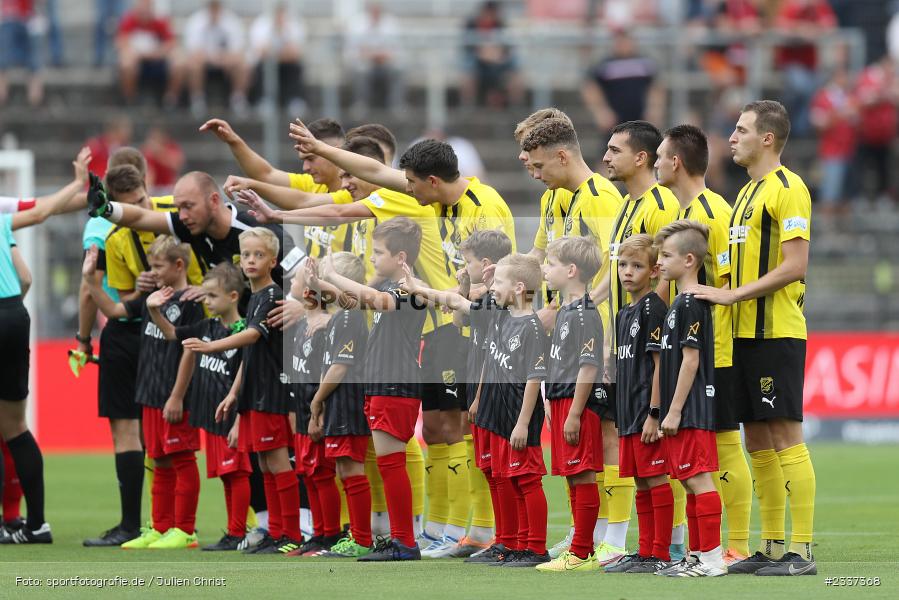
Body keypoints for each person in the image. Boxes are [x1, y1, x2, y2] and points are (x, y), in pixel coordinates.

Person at [287, 122, 516, 554]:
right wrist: (320, 147)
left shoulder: (484, 206)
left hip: (471, 328)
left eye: (411, 183)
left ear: (431, 181)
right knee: (436, 428)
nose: (405, 189)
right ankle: (443, 529)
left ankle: (482, 531)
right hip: (444, 324)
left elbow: (498, 275)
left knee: (470, 428)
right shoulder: (432, 200)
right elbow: (376, 173)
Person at [690, 100, 817, 577]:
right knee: (757, 440)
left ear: (767, 138)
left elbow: (796, 264)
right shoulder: (744, 193)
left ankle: (802, 552)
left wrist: (733, 294)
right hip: (741, 332)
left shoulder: (789, 189)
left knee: (785, 435)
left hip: (775, 332)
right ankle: (771, 545)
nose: (732, 138)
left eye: (741, 131)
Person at [655, 124, 752, 566]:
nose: (655, 163)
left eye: (659, 156)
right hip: (692, 348)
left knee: (724, 446)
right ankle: (706, 547)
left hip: (715, 350)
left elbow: (728, 282)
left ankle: (737, 545)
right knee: (703, 456)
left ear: (676, 162)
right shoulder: (686, 211)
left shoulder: (713, 211)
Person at [592, 120, 680, 567]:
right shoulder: (628, 206)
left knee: (657, 465)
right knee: (636, 464)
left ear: (640, 157)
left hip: (648, 355)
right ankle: (646, 548)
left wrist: (649, 322)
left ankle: (671, 545)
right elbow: (619, 277)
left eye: (613, 150)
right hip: (623, 345)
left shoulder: (661, 202)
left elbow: (663, 270)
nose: (605, 157)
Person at [83, 236, 206, 550]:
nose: (152, 272)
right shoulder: (151, 295)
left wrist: (178, 395)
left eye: (157, 266)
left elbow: (189, 351)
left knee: (182, 459)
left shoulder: (192, 304)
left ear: (179, 266)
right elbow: (111, 308)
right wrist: (90, 281)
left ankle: (186, 530)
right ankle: (161, 527)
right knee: (159, 460)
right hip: (149, 394)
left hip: (174, 396)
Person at [399, 229, 513, 560]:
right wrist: (463, 287)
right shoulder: (484, 294)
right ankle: (471, 533)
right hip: (474, 370)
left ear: (487, 264)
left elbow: (458, 305)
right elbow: (461, 314)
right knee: (479, 452)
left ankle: (482, 533)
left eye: (468, 261)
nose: (464, 266)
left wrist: (419, 288)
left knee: (489, 455)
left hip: (493, 384)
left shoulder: (500, 298)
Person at [317, 217, 427, 562]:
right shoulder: (393, 287)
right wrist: (326, 282)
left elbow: (378, 302)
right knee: (388, 464)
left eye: (378, 252)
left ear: (401, 257)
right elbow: (360, 301)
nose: (373, 259)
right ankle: (400, 540)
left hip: (396, 383)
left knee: (392, 465)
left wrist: (334, 275)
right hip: (384, 382)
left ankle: (405, 542)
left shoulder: (410, 289)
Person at [0, 148, 91, 545]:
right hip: (12, 316)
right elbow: (25, 276)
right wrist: (77, 183)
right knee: (16, 427)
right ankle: (35, 524)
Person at [145, 263, 253, 552]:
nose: (206, 301)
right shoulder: (206, 328)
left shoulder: (245, 332)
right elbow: (171, 334)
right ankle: (234, 532)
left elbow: (248, 377)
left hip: (232, 416)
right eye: (205, 296)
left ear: (232, 296)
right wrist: (154, 309)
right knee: (227, 476)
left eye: (212, 296)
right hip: (212, 414)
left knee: (237, 473)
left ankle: (238, 532)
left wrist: (241, 419)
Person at [209, 228, 302, 555]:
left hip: (272, 392)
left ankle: (290, 534)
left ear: (272, 261)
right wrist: (234, 393)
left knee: (278, 463)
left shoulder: (273, 295)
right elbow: (251, 355)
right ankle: (277, 532)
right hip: (254, 393)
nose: (250, 260)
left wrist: (212, 346)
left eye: (258, 255)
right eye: (246, 255)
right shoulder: (256, 297)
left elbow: (251, 338)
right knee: (265, 465)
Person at [653, 220, 725, 578]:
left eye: (666, 255)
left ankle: (712, 559)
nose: (660, 262)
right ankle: (697, 556)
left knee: (698, 479)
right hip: (679, 410)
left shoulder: (693, 302)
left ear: (689, 260)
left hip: (691, 408)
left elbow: (691, 360)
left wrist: (675, 410)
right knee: (687, 481)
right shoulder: (678, 303)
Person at [472, 253, 548, 567]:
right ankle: (516, 544)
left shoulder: (531, 327)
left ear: (518, 287)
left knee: (528, 480)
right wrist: (478, 398)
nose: (494, 288)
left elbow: (534, 378)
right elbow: (490, 360)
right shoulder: (503, 317)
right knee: (512, 480)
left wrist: (522, 423)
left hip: (520, 417)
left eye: (500, 282)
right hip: (501, 414)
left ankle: (536, 547)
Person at [535, 237, 604, 573]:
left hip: (578, 405)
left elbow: (589, 366)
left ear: (571, 270)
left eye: (550, 264)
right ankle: (579, 549)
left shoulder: (586, 314)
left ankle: (580, 553)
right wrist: (552, 402)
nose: (545, 270)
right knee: (573, 477)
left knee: (583, 475)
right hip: (561, 401)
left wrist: (575, 412)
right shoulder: (564, 310)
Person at [607, 234, 673, 574]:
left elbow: (660, 363)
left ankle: (659, 553)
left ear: (654, 271)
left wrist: (654, 413)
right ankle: (645, 551)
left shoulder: (652, 309)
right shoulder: (624, 313)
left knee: (656, 479)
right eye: (622, 265)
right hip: (628, 413)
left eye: (636, 266)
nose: (627, 272)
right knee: (640, 482)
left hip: (646, 412)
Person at [201, 117, 353, 260]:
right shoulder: (314, 184)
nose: (305, 167)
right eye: (303, 160)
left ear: (335, 153)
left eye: (311, 159)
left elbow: (302, 201)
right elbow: (266, 174)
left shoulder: (355, 193)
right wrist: (233, 140)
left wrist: (252, 185)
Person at [307, 253, 374, 559]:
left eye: (322, 277)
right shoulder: (337, 317)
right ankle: (357, 536)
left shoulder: (349, 316)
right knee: (346, 471)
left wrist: (317, 399)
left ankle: (361, 538)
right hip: (337, 403)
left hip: (347, 401)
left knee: (351, 469)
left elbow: (339, 367)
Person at [285, 265, 343, 557]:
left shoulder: (325, 328)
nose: (291, 283)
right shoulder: (300, 326)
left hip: (316, 413)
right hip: (301, 411)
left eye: (294, 280)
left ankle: (330, 535)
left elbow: (325, 375)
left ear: (308, 291)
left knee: (321, 474)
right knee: (307, 474)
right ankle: (317, 534)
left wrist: (317, 414)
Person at [582, 30, 664, 140]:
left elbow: (656, 87)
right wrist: (600, 111)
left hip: (641, 120)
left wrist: (654, 110)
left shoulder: (645, 63)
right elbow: (590, 87)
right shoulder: (605, 64)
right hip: (614, 122)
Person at [183, 0, 250, 117]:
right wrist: (213, 58)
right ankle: (197, 100)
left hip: (226, 62)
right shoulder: (196, 21)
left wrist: (223, 59)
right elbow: (194, 51)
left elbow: (238, 50)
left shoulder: (231, 21)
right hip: (204, 62)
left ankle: (238, 100)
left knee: (243, 65)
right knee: (193, 65)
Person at [116, 0, 182, 106]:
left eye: (147, 9)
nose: (144, 13)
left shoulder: (159, 21)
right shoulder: (129, 20)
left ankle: (171, 98)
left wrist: (158, 52)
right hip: (137, 60)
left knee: (179, 62)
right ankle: (129, 98)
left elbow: (172, 42)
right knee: (126, 62)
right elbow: (120, 42)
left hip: (158, 60)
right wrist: (136, 52)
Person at [810, 69, 857, 214]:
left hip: (849, 151)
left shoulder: (849, 97)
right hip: (832, 152)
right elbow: (818, 122)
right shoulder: (823, 97)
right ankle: (827, 228)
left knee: (846, 197)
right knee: (830, 194)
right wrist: (839, 114)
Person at [346, 2, 405, 115]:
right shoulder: (356, 23)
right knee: (361, 70)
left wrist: (382, 56)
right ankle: (361, 104)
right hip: (363, 63)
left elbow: (397, 51)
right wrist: (373, 55)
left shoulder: (391, 23)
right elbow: (351, 52)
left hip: (386, 63)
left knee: (399, 69)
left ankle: (396, 105)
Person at [248, 2, 307, 116]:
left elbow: (295, 53)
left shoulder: (294, 24)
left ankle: (294, 99)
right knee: (262, 67)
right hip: (266, 64)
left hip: (287, 64)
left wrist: (276, 52)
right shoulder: (261, 24)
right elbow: (261, 52)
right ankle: (264, 99)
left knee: (296, 67)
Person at [0, 0, 44, 107]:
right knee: (2, 60)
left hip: (30, 18)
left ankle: (35, 100)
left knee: (35, 62)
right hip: (8, 15)